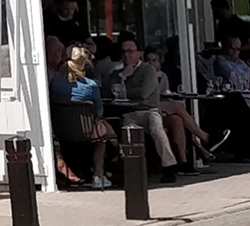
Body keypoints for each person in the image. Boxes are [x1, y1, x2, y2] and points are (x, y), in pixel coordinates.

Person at [111, 34, 180, 179]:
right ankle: (129, 169)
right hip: (128, 112)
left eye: (130, 51)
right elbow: (109, 90)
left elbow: (144, 93)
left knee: (156, 127)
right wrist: (123, 77)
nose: (126, 55)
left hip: (149, 110)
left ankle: (169, 165)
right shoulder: (117, 71)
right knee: (125, 131)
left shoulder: (148, 70)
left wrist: (125, 89)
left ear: (139, 53)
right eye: (123, 52)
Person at [48, 38, 113, 189]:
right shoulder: (91, 85)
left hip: (61, 129)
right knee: (103, 137)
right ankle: (99, 174)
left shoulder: (56, 81)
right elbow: (99, 110)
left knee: (104, 129)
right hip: (87, 131)